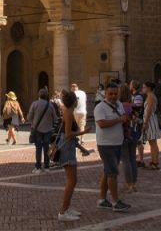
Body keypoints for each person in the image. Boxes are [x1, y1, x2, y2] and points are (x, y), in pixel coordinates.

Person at [92, 82, 131, 213]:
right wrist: (120, 120)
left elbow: (122, 118)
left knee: (107, 172)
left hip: (117, 143)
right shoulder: (100, 107)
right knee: (112, 174)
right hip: (106, 144)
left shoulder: (119, 104)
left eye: (115, 93)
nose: (114, 96)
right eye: (111, 94)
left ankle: (102, 200)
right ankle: (115, 202)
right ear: (105, 94)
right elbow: (101, 124)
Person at [55, 89, 89, 222]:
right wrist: (83, 132)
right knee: (71, 181)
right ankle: (63, 212)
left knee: (73, 180)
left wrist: (81, 148)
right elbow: (68, 134)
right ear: (74, 101)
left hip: (68, 146)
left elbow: (68, 136)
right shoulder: (68, 112)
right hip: (67, 149)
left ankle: (67, 208)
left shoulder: (68, 111)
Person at [28, 88, 57, 173]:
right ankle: (47, 166)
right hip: (48, 130)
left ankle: (38, 167)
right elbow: (55, 118)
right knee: (46, 148)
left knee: (38, 148)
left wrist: (34, 120)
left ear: (39, 95)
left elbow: (29, 118)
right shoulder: (50, 105)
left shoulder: (34, 104)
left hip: (37, 130)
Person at [120, 84, 140, 194]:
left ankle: (129, 184)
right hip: (134, 133)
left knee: (125, 159)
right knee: (132, 158)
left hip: (123, 134)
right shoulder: (133, 105)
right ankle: (134, 183)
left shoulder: (120, 106)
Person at [141, 81, 161, 170]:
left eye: (144, 87)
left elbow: (149, 110)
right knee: (152, 142)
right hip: (151, 119)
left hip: (150, 120)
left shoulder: (150, 96)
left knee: (153, 142)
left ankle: (154, 162)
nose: (143, 89)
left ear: (149, 88)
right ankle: (154, 161)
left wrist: (145, 122)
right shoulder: (150, 96)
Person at [69, 84, 93, 156]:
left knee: (75, 126)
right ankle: (82, 139)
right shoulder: (83, 93)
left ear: (72, 88)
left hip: (75, 112)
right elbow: (85, 100)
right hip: (83, 111)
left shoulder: (72, 94)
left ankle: (76, 139)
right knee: (82, 125)